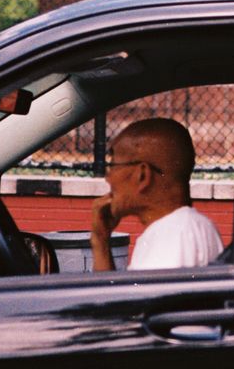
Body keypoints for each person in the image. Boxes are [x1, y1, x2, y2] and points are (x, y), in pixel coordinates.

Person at [89, 116, 225, 271]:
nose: (108, 178)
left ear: (142, 175)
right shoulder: (190, 227)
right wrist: (100, 240)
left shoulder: (172, 236)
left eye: (113, 165)